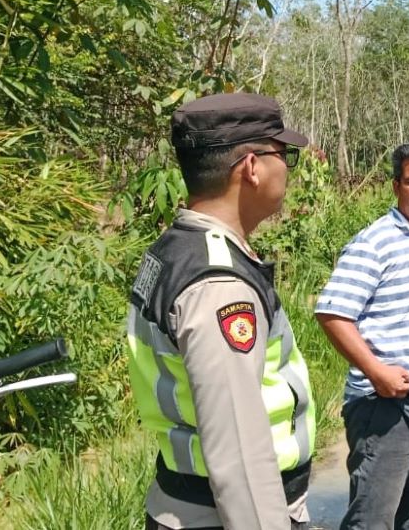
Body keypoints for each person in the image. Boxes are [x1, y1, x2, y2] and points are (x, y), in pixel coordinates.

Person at [126, 92, 316, 530]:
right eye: (283, 154)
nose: (288, 167)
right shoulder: (218, 285)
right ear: (251, 167)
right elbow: (240, 453)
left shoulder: (178, 247)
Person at [315, 142, 409, 530]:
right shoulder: (375, 243)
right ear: (396, 186)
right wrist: (375, 371)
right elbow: (332, 313)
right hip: (387, 408)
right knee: (372, 520)